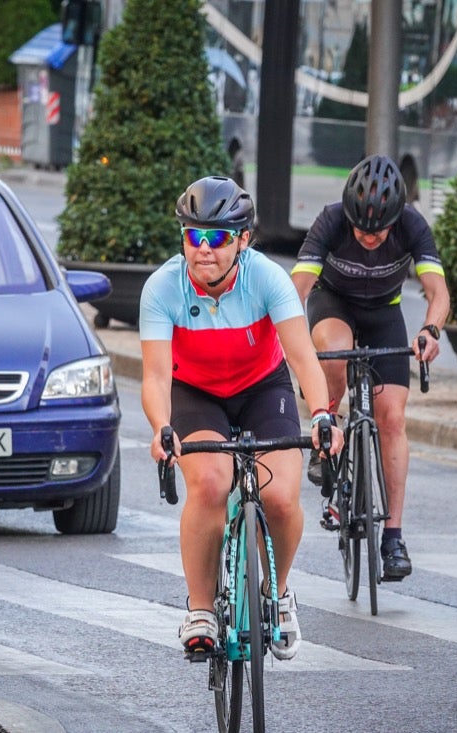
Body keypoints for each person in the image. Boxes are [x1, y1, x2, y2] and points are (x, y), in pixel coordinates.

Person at [140, 175, 342, 660]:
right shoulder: (162, 287)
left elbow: (303, 359)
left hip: (262, 388)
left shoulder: (267, 279)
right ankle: (201, 609)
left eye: (217, 237)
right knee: (211, 483)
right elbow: (156, 376)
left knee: (281, 498)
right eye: (193, 235)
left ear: (243, 240)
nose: (203, 248)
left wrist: (321, 415)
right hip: (196, 392)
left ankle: (278, 591)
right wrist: (161, 427)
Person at [290, 154, 450, 581]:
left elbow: (438, 292)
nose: (367, 237)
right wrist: (289, 339)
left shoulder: (413, 225)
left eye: (378, 231)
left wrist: (430, 330)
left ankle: (393, 537)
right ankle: (328, 427)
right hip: (333, 303)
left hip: (384, 312)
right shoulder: (330, 220)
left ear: (396, 218)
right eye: (360, 228)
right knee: (336, 352)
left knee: (392, 417)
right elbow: (297, 289)